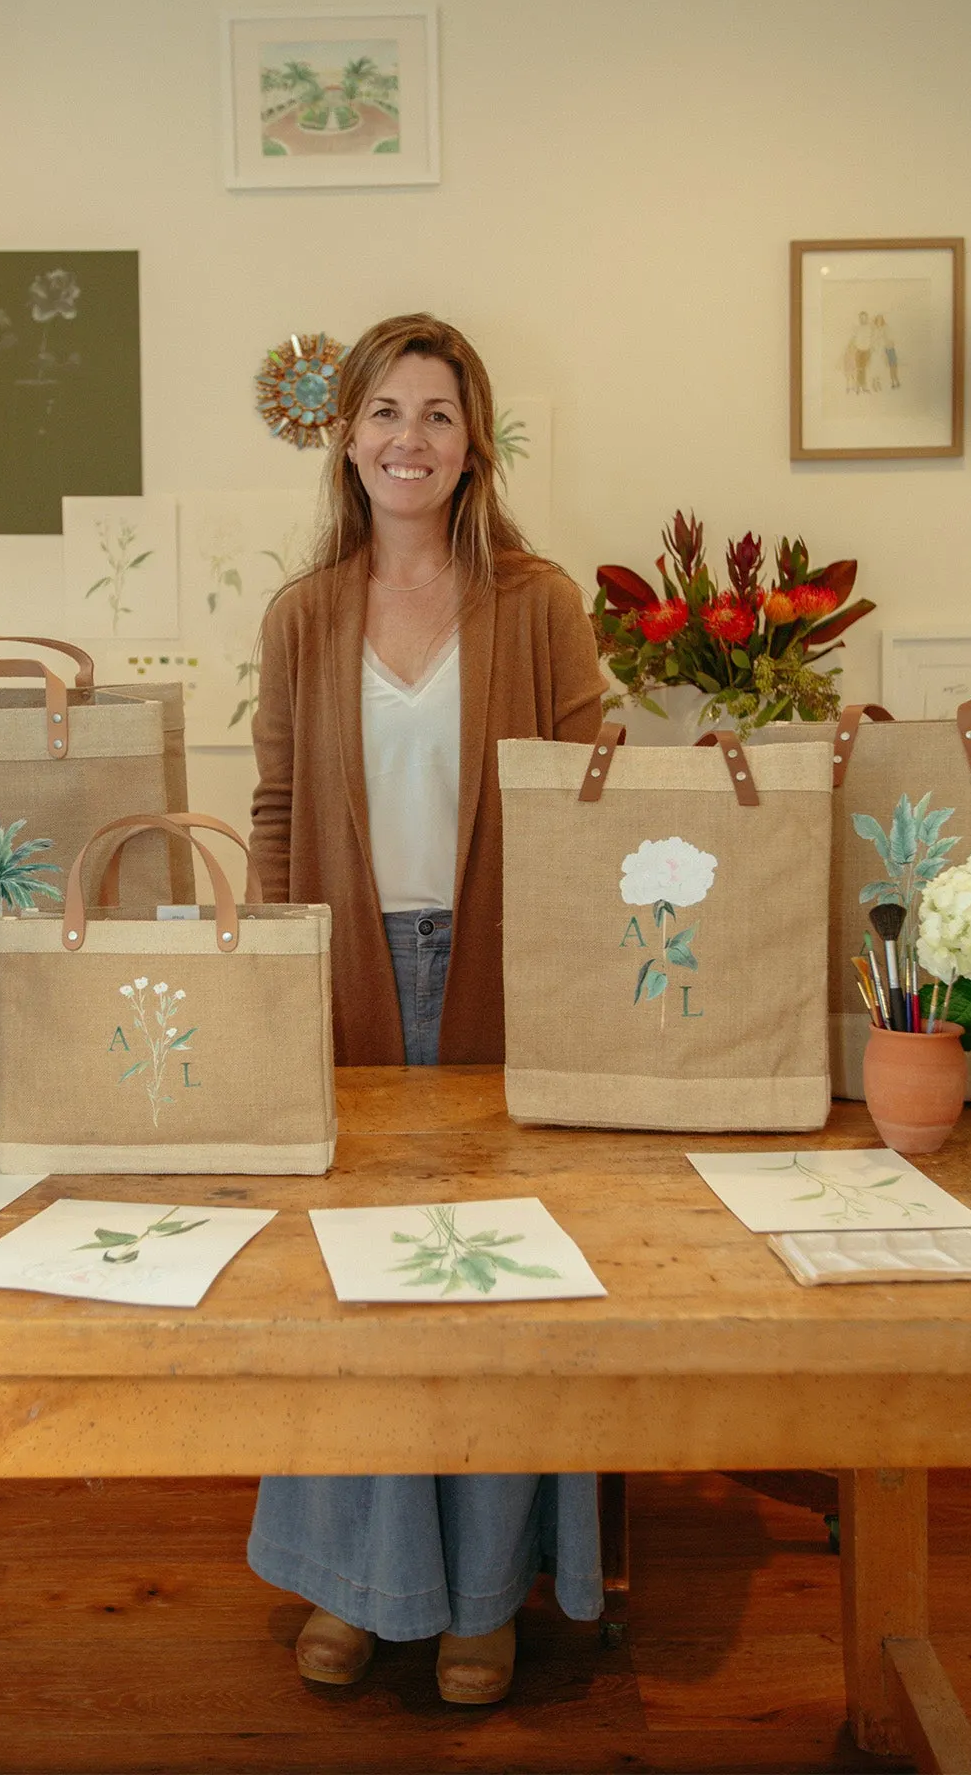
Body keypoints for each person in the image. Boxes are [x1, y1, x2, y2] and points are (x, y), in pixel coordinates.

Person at [244, 312, 607, 1705]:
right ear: (346, 435)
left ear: (475, 444)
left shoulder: (539, 600)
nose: (410, 437)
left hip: (502, 974)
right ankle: (354, 1581)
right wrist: (279, 968)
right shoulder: (305, 612)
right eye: (386, 411)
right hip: (346, 979)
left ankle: (485, 1599)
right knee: (354, 1287)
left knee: (506, 1282)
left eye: (438, 415)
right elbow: (277, 808)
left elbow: (587, 798)